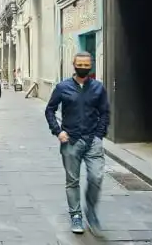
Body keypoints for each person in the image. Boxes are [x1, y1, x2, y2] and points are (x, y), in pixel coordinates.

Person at [44, 51, 109, 235]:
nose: (82, 67)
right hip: (70, 141)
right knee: (72, 181)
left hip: (92, 141)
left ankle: (91, 211)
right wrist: (58, 131)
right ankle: (76, 215)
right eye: (79, 64)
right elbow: (50, 110)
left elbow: (104, 112)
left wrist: (99, 134)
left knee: (96, 177)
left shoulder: (98, 88)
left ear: (91, 65)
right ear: (74, 64)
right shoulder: (62, 87)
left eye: (86, 64)